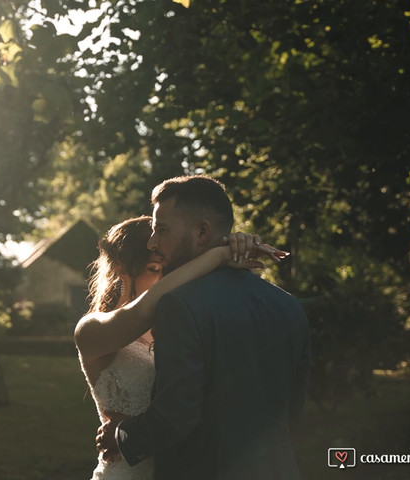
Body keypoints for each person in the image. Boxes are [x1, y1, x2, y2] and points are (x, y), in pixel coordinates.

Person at [95, 175, 310, 480]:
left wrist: (121, 434)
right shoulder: (289, 306)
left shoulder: (179, 305)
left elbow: (174, 418)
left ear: (202, 232)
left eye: (162, 230)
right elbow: (295, 412)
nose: (152, 243)